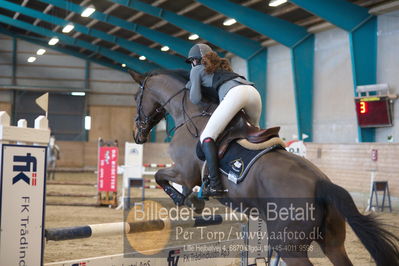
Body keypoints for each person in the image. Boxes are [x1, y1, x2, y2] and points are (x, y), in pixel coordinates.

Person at [185, 43, 262, 196]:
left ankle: (215, 184)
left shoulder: (196, 69)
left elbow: (195, 98)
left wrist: (192, 84)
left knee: (207, 137)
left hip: (236, 94)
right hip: (253, 93)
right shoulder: (222, 69)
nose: (192, 64)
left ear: (198, 60)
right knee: (254, 134)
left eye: (192, 61)